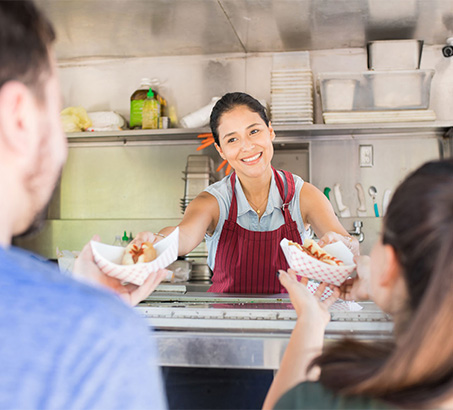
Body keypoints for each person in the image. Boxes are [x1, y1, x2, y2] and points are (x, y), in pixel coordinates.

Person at [0, 1, 167, 408]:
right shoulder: (96, 341)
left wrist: (80, 297)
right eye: (53, 112)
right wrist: (87, 311)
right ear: (18, 118)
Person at [263, 158, 453, 410]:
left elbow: (282, 405)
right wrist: (381, 286)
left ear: (390, 263)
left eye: (380, 238)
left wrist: (311, 320)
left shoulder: (328, 402)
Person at [136, 92, 358, 293]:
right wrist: (157, 241)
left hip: (293, 322)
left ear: (270, 132)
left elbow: (346, 247)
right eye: (232, 139)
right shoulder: (211, 202)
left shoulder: (304, 195)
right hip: (228, 323)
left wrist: (341, 245)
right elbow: (182, 236)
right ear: (221, 150)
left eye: (254, 131)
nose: (247, 146)